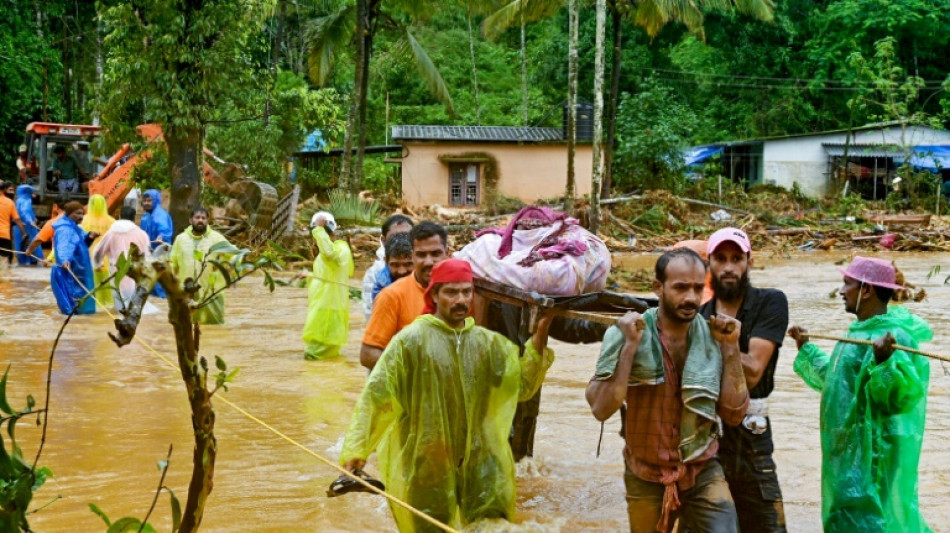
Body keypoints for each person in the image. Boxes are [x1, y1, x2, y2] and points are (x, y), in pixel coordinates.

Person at [340, 258, 555, 532]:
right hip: (427, 460)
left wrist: (538, 338)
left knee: (491, 525)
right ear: (435, 295)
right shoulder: (411, 341)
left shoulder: (487, 344)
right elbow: (378, 395)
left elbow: (522, 387)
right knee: (431, 528)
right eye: (451, 292)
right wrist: (358, 449)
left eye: (466, 292)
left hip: (481, 460)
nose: (461, 299)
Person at [586, 248, 749, 533]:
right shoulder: (627, 332)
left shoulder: (715, 337)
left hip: (701, 467)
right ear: (658, 288)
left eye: (698, 288)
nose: (691, 298)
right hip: (645, 472)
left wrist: (732, 347)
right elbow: (601, 408)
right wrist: (630, 348)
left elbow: (734, 415)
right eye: (680, 288)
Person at [788, 256, 933, 533]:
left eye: (847, 284)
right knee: (844, 515)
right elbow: (837, 384)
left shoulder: (896, 337)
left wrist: (883, 363)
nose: (842, 291)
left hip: (874, 453)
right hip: (847, 450)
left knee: (871, 518)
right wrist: (805, 347)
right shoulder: (858, 332)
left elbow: (899, 398)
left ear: (866, 290)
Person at [698, 228, 789, 533]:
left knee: (769, 527)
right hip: (708, 442)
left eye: (736, 258)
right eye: (720, 258)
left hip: (753, 439)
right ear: (708, 263)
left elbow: (752, 373)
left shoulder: (771, 302)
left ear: (750, 261)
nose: (728, 267)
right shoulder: (698, 316)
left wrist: (726, 342)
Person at [360, 221, 448, 370]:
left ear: (448, 252)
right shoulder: (390, 295)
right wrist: (414, 371)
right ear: (413, 255)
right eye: (421, 255)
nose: (429, 261)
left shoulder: (462, 291)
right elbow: (368, 354)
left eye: (435, 254)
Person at [301, 211, 354, 360]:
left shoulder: (340, 249)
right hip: (322, 309)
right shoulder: (324, 255)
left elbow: (331, 255)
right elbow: (326, 278)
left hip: (330, 311)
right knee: (320, 359)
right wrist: (309, 276)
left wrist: (318, 229)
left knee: (314, 356)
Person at [169, 207, 231, 324]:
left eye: (203, 218)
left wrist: (225, 269)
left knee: (214, 329)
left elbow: (234, 255)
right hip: (186, 292)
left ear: (207, 221)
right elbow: (172, 263)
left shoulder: (216, 238)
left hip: (211, 293)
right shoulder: (181, 239)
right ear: (190, 220)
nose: (200, 220)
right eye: (197, 217)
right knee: (187, 326)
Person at [93, 206, 158, 315]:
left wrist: (97, 265)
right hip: (136, 274)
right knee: (136, 306)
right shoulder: (142, 234)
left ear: (119, 216)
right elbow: (148, 256)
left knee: (121, 307)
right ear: (134, 218)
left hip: (117, 273)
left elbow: (98, 252)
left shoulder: (111, 233)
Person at [361, 214, 414, 320]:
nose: (400, 240)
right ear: (384, 240)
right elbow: (372, 315)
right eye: (394, 237)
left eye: (407, 236)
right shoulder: (375, 274)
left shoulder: (424, 266)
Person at [50, 201, 98, 314]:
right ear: (69, 213)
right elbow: (63, 246)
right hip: (71, 271)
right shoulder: (64, 230)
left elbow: (82, 245)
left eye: (82, 214)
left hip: (80, 270)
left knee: (84, 298)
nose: (81, 216)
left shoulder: (77, 228)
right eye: (78, 213)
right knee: (73, 303)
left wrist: (90, 237)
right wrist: (64, 260)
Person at [81, 194, 116, 308]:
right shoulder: (111, 221)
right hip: (106, 257)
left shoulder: (84, 220)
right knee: (107, 284)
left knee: (92, 284)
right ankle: (109, 305)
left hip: (89, 256)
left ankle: (96, 306)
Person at [140, 189, 173, 298]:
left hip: (160, 254)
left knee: (160, 280)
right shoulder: (145, 216)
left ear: (155, 200)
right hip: (149, 253)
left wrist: (161, 237)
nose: (146, 203)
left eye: (149, 201)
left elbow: (164, 231)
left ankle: (162, 300)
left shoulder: (160, 215)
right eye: (144, 201)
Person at [371, 232, 413, 301]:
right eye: (395, 265)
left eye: (408, 264)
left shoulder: (428, 283)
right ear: (386, 261)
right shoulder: (380, 290)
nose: (401, 271)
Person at [25, 196, 67, 264]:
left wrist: (29, 250)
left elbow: (38, 240)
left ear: (55, 206)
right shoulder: (75, 220)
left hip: (60, 260)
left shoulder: (53, 222)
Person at [0, 181, 26, 268]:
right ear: (4, 190)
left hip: (5, 234)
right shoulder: (10, 203)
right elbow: (17, 219)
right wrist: (24, 233)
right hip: (4, 236)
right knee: (5, 264)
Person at [13, 184, 40, 265]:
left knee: (20, 244)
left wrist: (33, 218)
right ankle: (32, 260)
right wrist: (31, 220)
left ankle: (23, 261)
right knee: (30, 243)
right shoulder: (27, 200)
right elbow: (25, 211)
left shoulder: (18, 200)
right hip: (28, 227)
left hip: (19, 226)